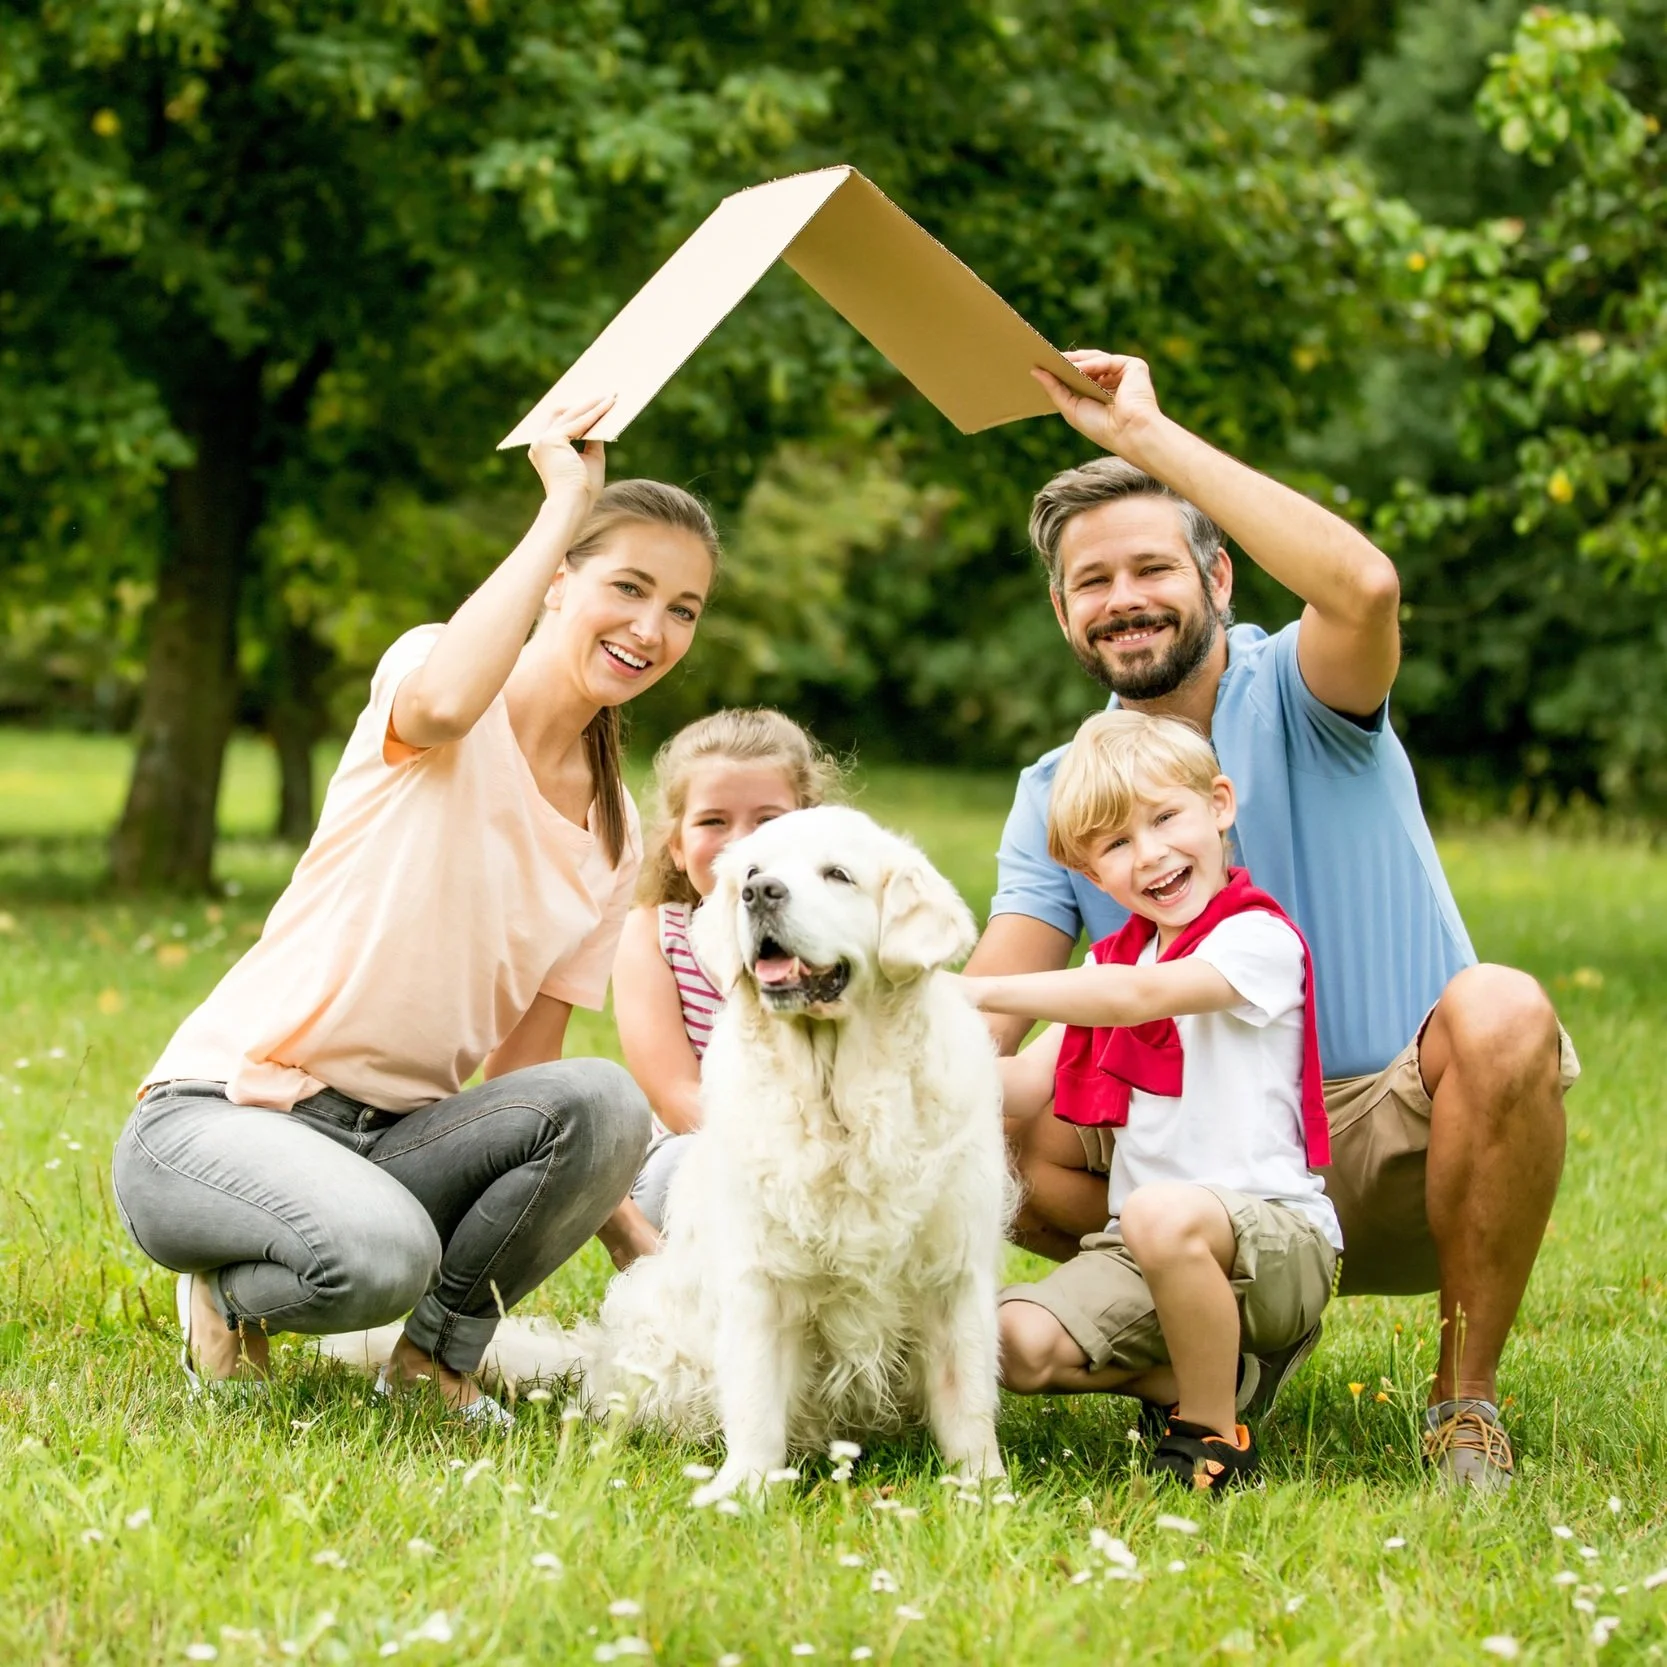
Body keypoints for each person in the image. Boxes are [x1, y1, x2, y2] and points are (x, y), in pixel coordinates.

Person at [965, 351, 1579, 1491]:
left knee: (1502, 1007)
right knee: (976, 1117)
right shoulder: (1059, 783)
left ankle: (1463, 1402)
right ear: (1061, 610)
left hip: (1393, 1129)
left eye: (1152, 566)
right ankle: (1198, 1358)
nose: (1123, 598)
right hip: (1193, 1158)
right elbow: (981, 1023)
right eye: (1090, 581)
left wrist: (1144, 436)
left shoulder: (1305, 688)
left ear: (1219, 581)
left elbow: (1365, 586)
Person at [111, 396, 717, 1418]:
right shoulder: (437, 682)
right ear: (558, 579)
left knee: (606, 1096)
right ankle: (226, 1290)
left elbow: (528, 1076)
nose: (651, 629)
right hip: (218, 1118)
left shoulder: (613, 827)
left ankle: (434, 1366)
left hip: (390, 1143)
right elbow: (442, 702)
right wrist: (562, 501)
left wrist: (641, 1254)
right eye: (628, 586)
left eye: (684, 608)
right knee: (378, 1259)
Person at [957, 709, 1338, 1490]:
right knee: (1003, 1343)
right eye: (1117, 845)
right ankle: (1207, 1376)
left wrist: (969, 988)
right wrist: (886, 1063)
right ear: (1094, 877)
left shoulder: (1255, 940)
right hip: (1145, 1248)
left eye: (1166, 817)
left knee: (1159, 1209)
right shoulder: (1117, 958)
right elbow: (1025, 1084)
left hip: (1277, 1242)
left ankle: (1211, 1434)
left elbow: (1135, 996)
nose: (1152, 853)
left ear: (1219, 806)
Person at [611, 708, 840, 1246]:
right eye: (713, 821)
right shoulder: (653, 936)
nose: (742, 844)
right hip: (702, 1151)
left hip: (835, 1156)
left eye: (768, 821)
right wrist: (787, 1154)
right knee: (695, 1172)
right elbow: (674, 1094)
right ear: (676, 843)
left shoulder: (840, 939)